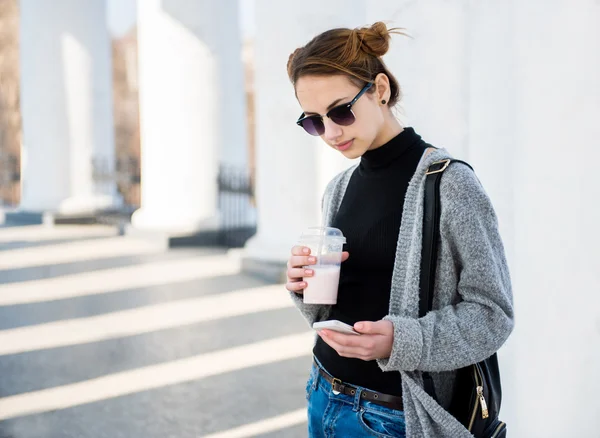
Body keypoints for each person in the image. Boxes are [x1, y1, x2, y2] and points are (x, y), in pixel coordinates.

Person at [284, 22, 514, 438]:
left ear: (381, 89)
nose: (330, 132)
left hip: (394, 416)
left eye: (340, 111)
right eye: (314, 121)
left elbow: (493, 314)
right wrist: (305, 287)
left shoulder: (450, 183)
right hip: (322, 391)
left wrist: (400, 341)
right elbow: (339, 303)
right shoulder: (339, 188)